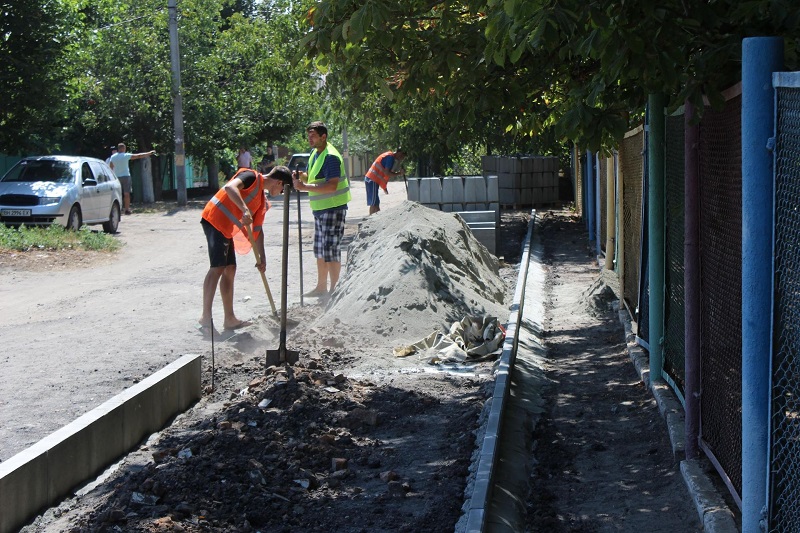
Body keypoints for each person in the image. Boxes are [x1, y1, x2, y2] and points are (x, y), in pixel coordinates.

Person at [198, 165, 292, 334]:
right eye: (283, 190)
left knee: (230, 269)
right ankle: (205, 318)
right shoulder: (251, 177)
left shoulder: (261, 199)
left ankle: (230, 319)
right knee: (218, 267)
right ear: (279, 182)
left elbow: (258, 228)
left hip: (225, 228)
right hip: (214, 220)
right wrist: (244, 209)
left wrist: (262, 256)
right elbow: (230, 187)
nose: (281, 193)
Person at [292, 121, 351, 298]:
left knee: (331, 249)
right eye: (309, 136)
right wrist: (300, 177)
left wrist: (303, 187)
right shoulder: (315, 154)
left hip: (333, 208)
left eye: (313, 136)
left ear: (323, 137)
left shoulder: (331, 156)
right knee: (320, 249)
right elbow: (312, 177)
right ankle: (321, 287)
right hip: (320, 209)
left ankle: (334, 289)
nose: (310, 139)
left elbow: (331, 186)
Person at [109, 143, 156, 215]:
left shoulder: (113, 157)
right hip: (126, 176)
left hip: (116, 177)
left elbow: (111, 167)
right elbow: (138, 156)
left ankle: (118, 209)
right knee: (126, 193)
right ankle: (127, 209)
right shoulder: (125, 155)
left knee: (117, 194)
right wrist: (149, 153)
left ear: (118, 149)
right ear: (123, 148)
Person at [364, 148, 406, 215]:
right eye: (402, 156)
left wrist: (384, 187)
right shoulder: (390, 158)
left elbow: (385, 173)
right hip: (372, 179)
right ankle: (371, 221)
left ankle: (376, 219)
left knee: (376, 203)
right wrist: (399, 173)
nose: (402, 158)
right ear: (399, 153)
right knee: (374, 203)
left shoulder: (389, 156)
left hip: (372, 180)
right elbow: (387, 173)